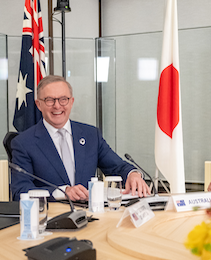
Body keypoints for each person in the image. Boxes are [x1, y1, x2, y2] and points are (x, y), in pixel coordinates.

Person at [9, 75, 150, 201]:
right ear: (39, 104)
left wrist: (133, 174)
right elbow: (20, 190)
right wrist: (63, 192)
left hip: (91, 216)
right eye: (49, 100)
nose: (57, 105)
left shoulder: (90, 135)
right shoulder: (23, 143)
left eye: (63, 99)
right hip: (51, 219)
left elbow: (118, 166)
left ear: (71, 102)